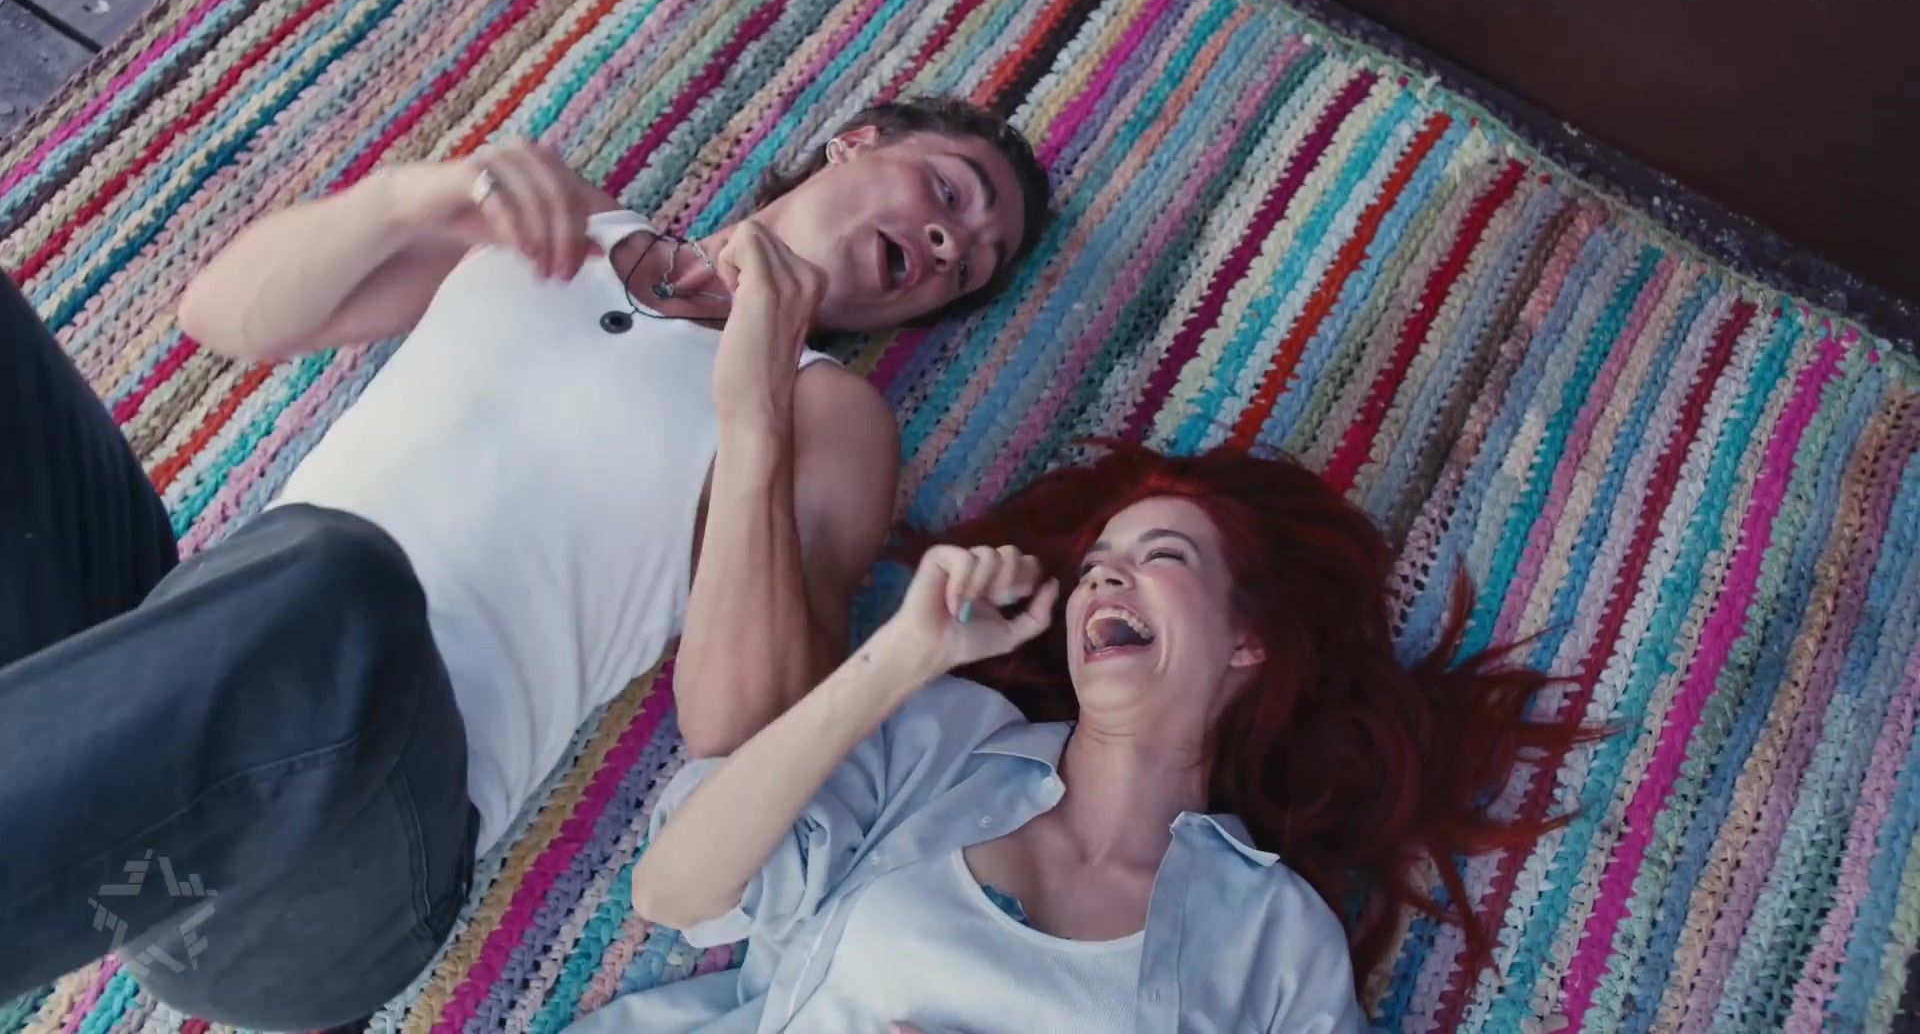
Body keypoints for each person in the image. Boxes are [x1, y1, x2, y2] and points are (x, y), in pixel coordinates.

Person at [0, 96, 1048, 1028]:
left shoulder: (829, 416)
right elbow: (221, 317)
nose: (948, 244)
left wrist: (755, 408)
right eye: (950, 193)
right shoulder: (570, 225)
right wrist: (413, 196)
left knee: (342, 577)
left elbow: (743, 734)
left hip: (317, 877)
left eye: (969, 265)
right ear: (856, 141)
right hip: (150, 727)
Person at [578, 442, 1596, 1032]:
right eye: (1097, 562)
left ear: (1247, 641)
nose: (1106, 575)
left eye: (1163, 557)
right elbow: (674, 892)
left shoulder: (1275, 940)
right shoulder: (944, 740)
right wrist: (898, 660)